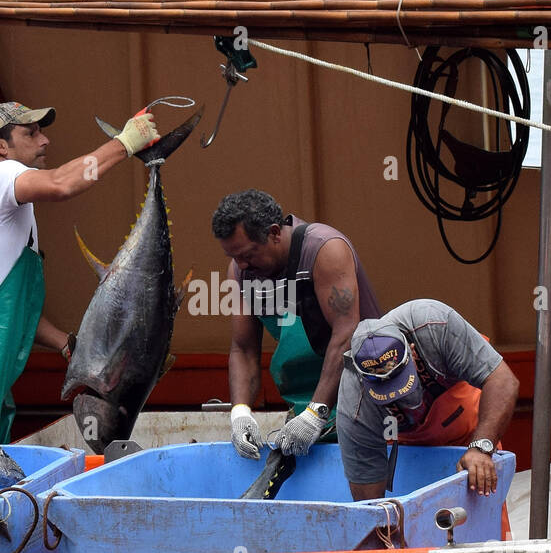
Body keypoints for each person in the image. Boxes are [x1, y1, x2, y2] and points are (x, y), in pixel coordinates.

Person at [0, 101, 161, 443]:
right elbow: (61, 185)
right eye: (31, 132)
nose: (45, 140)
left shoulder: (15, 214)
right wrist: (124, 144)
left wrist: (65, 344)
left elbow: (14, 310)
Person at [212, 189, 381, 460]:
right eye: (234, 257)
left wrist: (316, 413)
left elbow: (347, 333)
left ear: (275, 233)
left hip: (365, 398)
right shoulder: (240, 271)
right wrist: (240, 412)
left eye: (248, 254)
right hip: (303, 405)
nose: (242, 264)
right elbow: (243, 349)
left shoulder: (325, 249)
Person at [337, 299, 519, 502]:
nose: (401, 396)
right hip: (410, 454)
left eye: (401, 382)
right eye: (386, 390)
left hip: (472, 436)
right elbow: (369, 502)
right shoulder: (355, 402)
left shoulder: (434, 325)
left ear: (412, 352)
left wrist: (481, 447)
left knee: (486, 517)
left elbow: (502, 381)